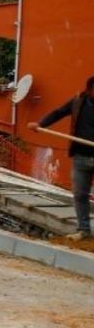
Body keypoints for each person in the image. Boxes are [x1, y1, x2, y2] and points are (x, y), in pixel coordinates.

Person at [29, 75, 94, 238]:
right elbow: (58, 113)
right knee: (80, 194)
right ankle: (84, 230)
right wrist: (40, 124)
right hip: (80, 157)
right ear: (89, 90)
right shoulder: (78, 102)